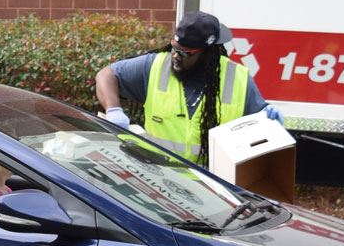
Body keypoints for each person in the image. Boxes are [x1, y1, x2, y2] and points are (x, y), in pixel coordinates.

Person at [94, 11, 282, 163]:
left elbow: (258, 130)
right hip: (158, 180)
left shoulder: (237, 78)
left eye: (185, 53)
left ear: (208, 54)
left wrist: (268, 119)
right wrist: (114, 109)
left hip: (212, 189)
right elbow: (106, 76)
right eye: (174, 48)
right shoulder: (156, 66)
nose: (175, 56)